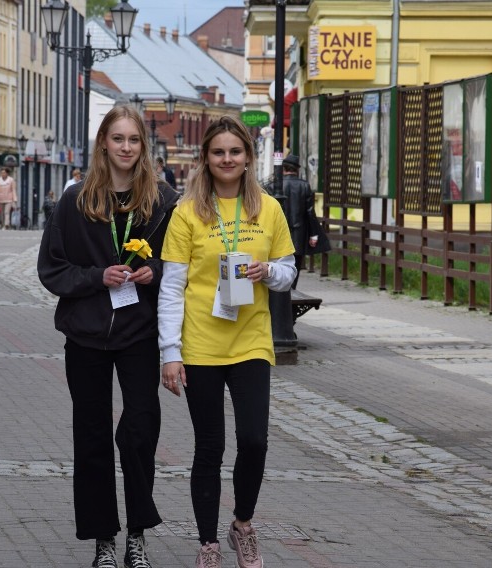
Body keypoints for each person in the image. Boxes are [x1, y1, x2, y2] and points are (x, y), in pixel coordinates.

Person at [37, 105, 179, 568]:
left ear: (144, 146)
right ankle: (104, 541)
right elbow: (52, 269)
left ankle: (137, 533)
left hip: (139, 332)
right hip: (86, 335)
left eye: (134, 140)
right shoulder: (76, 201)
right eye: (117, 139)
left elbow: (180, 265)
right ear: (103, 142)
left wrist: (150, 272)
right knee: (92, 436)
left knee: (139, 431)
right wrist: (98, 277)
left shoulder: (163, 201)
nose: (125, 148)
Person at [157, 115, 296, 568]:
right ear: (206, 159)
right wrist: (170, 353)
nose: (227, 159)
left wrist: (269, 272)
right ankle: (207, 543)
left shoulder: (268, 209)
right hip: (201, 343)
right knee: (209, 446)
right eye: (218, 152)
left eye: (235, 151)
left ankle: (242, 524)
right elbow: (172, 287)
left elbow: (288, 271)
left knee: (254, 439)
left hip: (252, 341)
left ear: (248, 157)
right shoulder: (186, 212)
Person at [282, 153, 329, 289]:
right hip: (299, 233)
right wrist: (314, 234)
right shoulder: (304, 186)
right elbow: (310, 212)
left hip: (280, 233)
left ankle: (281, 294)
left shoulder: (275, 185)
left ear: (284, 169)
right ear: (297, 170)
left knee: (279, 263)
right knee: (296, 264)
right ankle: (292, 291)